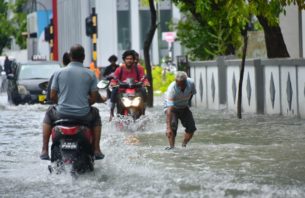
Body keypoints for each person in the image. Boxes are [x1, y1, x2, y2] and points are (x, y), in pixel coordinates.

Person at [40, 44, 104, 160]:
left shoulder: (58, 73)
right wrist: (83, 104)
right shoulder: (90, 74)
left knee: (49, 112)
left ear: (69, 56)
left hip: (61, 114)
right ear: (84, 57)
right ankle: (96, 149)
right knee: (96, 113)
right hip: (83, 116)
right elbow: (94, 98)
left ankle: (44, 150)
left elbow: (52, 96)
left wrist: (62, 103)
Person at [109, 50, 150, 121]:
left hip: (136, 91)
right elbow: (114, 79)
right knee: (114, 90)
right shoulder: (119, 69)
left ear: (134, 60)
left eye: (131, 59)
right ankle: (111, 113)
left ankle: (143, 111)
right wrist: (113, 83)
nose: (129, 60)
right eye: (127, 59)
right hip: (122, 92)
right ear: (124, 60)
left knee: (144, 90)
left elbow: (143, 78)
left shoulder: (139, 68)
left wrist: (146, 82)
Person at [164, 71, 197, 149]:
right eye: (179, 84)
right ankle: (172, 147)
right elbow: (169, 110)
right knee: (173, 126)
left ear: (186, 81)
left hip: (184, 106)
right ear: (176, 81)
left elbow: (192, 93)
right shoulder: (172, 89)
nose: (181, 86)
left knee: (191, 128)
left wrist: (186, 102)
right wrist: (168, 128)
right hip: (172, 108)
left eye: (183, 84)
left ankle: (183, 145)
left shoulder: (191, 83)